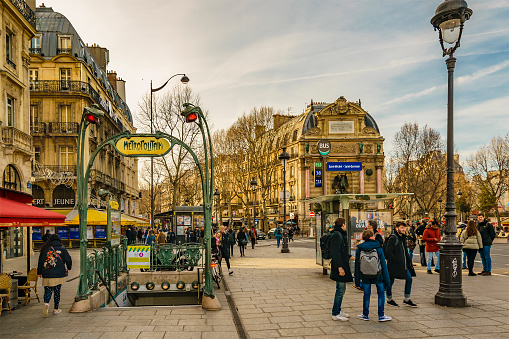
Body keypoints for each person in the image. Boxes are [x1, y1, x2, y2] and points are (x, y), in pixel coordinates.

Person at [355, 229, 392, 322]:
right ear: (372, 237)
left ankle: (365, 314)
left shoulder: (360, 248)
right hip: (378, 275)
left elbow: (357, 265)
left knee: (366, 294)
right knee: (381, 294)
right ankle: (381, 315)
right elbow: (383, 265)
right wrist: (387, 282)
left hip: (365, 275)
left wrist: (357, 281)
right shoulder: (378, 247)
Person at [37, 234, 72, 317]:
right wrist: (69, 267)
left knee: (47, 290)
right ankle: (56, 309)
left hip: (47, 272)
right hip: (59, 273)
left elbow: (40, 261)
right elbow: (68, 259)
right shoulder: (62, 248)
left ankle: (46, 304)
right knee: (57, 291)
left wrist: (39, 272)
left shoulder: (45, 248)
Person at [385, 221, 417, 308]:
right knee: (390, 282)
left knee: (409, 279)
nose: (403, 230)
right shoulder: (393, 238)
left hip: (403, 265)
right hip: (394, 264)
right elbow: (388, 252)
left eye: (404, 228)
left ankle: (406, 299)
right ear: (397, 228)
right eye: (402, 228)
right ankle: (389, 299)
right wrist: (396, 260)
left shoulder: (403, 237)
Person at [330, 218, 353, 321]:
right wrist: (340, 267)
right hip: (339, 266)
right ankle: (335, 313)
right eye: (345, 223)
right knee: (340, 290)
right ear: (343, 225)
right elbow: (336, 252)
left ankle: (338, 310)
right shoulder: (337, 235)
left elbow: (342, 250)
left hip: (342, 264)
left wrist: (349, 257)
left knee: (341, 289)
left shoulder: (340, 234)